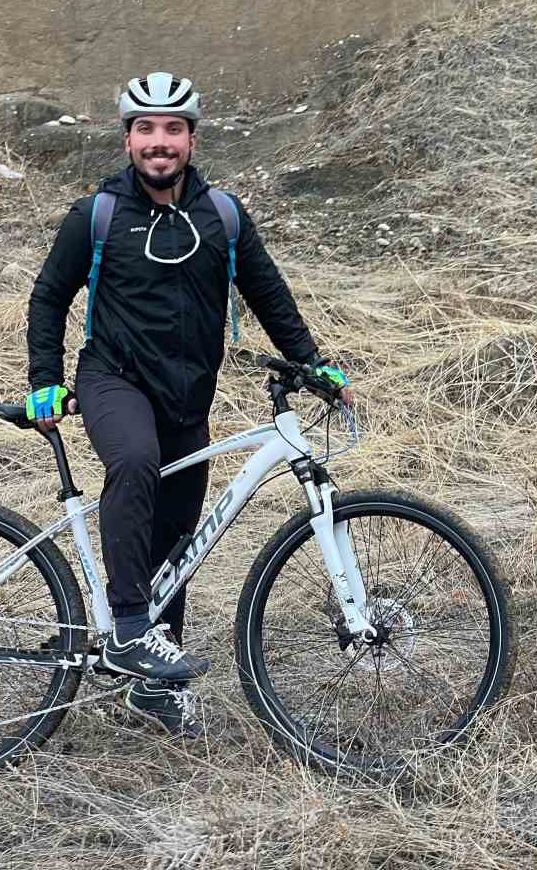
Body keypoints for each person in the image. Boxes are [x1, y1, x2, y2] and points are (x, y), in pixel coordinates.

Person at [23, 72, 352, 738]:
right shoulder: (98, 215)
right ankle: (128, 629)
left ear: (192, 140)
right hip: (113, 380)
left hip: (188, 398)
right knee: (134, 462)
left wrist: (312, 361)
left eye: (173, 129)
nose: (159, 142)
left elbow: (269, 294)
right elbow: (49, 297)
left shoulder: (222, 217)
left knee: (176, 542)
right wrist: (44, 380)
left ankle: (154, 686)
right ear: (128, 139)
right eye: (145, 128)